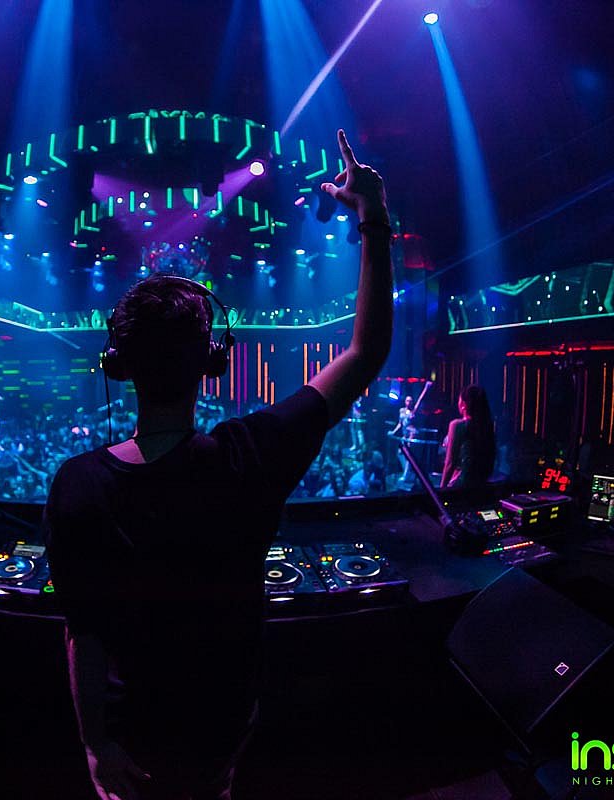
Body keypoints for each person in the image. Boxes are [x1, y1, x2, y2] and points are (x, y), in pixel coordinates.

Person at [44, 129, 393, 800]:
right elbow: (365, 352)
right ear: (214, 361)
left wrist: (94, 745)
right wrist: (372, 217)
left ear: (119, 366)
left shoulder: (77, 485)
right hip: (221, 731)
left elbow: (82, 636)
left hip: (132, 741)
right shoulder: (250, 455)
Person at [440, 385, 496, 489]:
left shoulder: (457, 425)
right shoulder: (487, 426)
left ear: (464, 404)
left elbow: (450, 463)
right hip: (480, 485)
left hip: (460, 483)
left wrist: (441, 490)